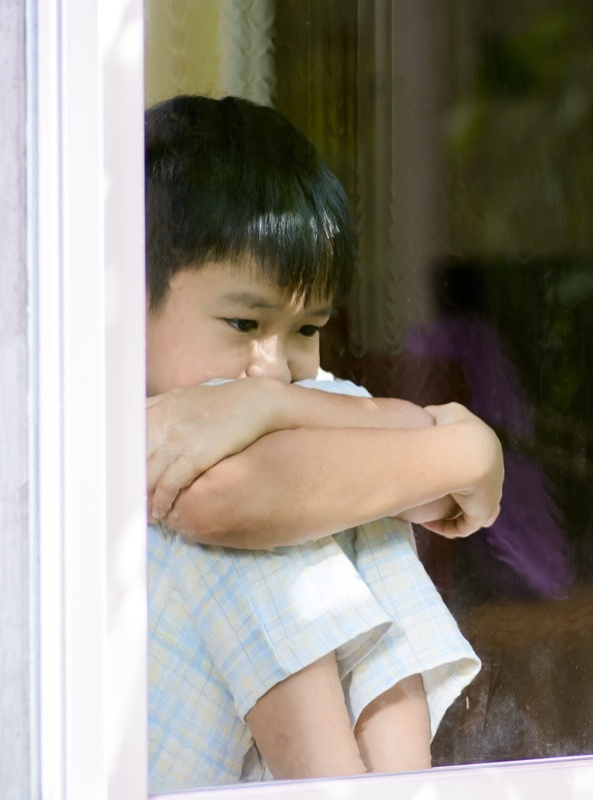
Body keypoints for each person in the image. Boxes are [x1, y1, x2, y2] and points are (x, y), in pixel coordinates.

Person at [143, 95, 503, 791]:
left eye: (306, 330)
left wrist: (267, 404)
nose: (272, 363)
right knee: (271, 517)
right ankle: (339, 782)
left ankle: (398, 783)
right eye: (244, 324)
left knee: (339, 493)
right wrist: (466, 454)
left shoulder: (260, 390)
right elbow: (231, 500)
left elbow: (363, 425)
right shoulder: (82, 411)